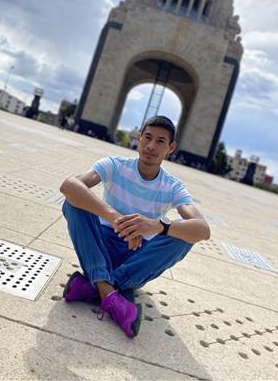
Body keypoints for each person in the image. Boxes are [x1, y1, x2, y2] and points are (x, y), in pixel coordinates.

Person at [60, 115, 210, 338]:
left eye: (160, 141)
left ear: (171, 148)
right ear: (138, 138)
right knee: (73, 202)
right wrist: (114, 218)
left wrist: (158, 226)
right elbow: (68, 185)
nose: (151, 146)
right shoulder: (114, 165)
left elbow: (203, 230)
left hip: (136, 258)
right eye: (147, 138)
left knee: (185, 235)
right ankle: (111, 294)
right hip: (102, 245)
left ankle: (95, 284)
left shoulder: (173, 186)